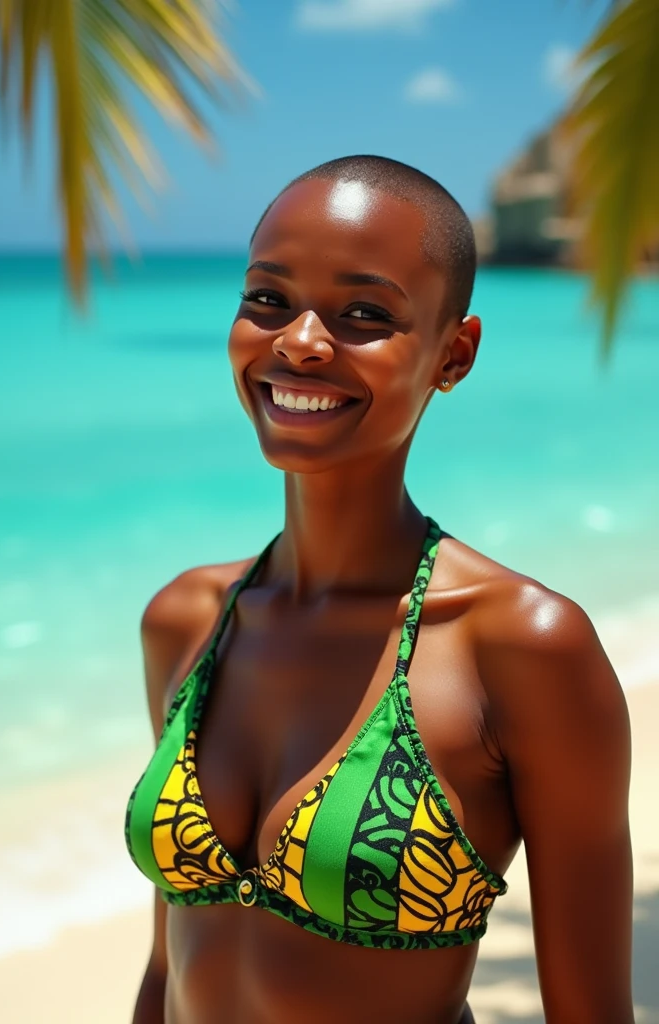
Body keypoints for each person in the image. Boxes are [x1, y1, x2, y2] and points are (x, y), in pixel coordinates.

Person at [125, 156, 634, 1024]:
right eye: (267, 299)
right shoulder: (189, 620)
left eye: (365, 313)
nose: (300, 342)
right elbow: (166, 966)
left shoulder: (518, 645)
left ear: (453, 354)